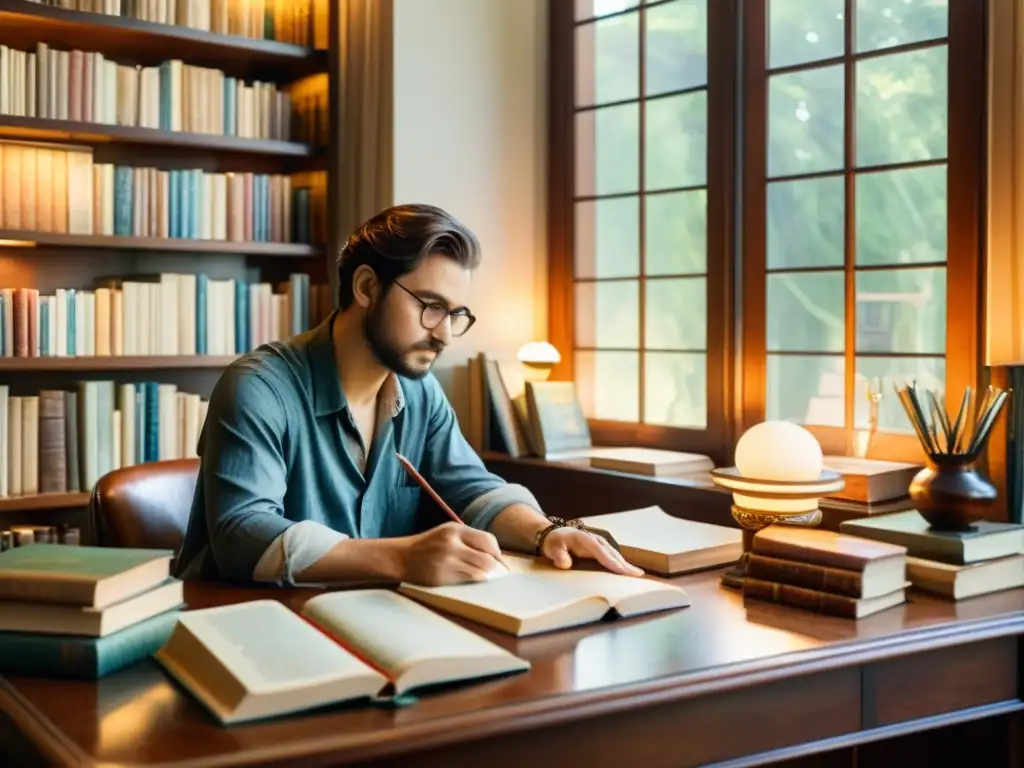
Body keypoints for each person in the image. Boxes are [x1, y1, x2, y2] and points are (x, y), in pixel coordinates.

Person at [174, 203, 643, 586]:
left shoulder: (421, 393)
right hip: (244, 634)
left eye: (456, 314)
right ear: (365, 287)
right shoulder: (259, 388)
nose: (445, 334)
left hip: (372, 626)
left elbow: (473, 490)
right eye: (431, 307)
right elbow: (242, 537)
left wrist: (545, 532)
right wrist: (402, 558)